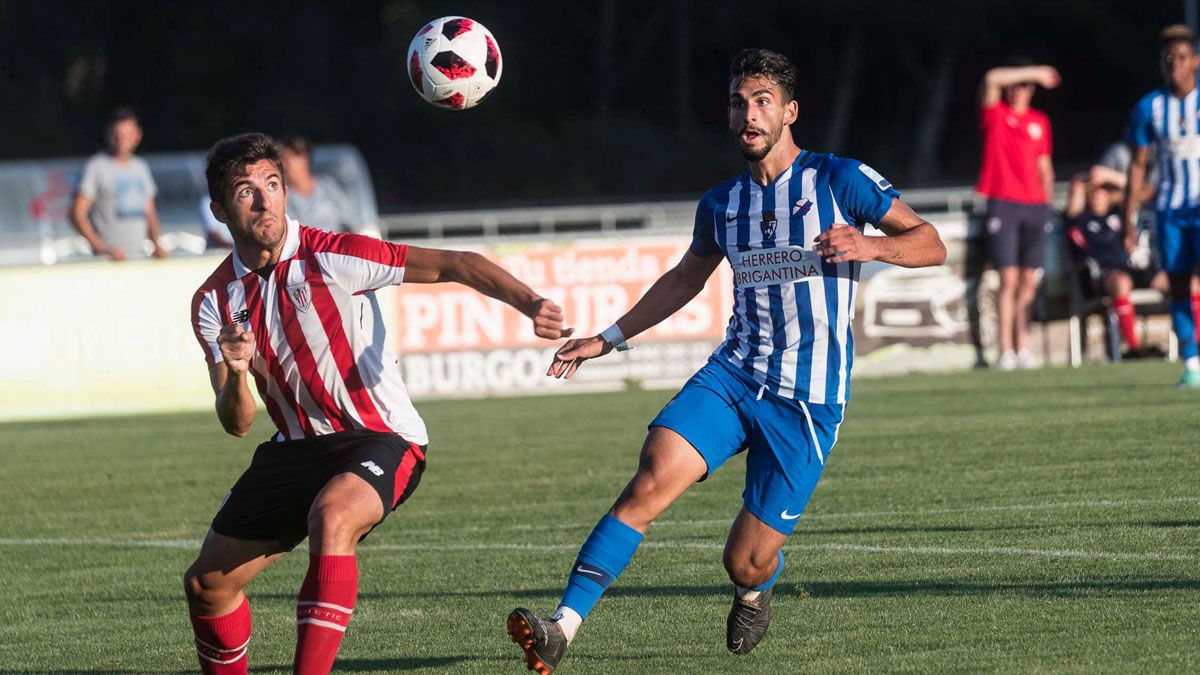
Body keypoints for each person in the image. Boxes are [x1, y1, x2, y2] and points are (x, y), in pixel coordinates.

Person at [506, 49, 946, 673]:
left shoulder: (839, 180)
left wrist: (870, 244)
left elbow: (931, 243)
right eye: (739, 102)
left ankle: (755, 587)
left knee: (744, 559)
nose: (749, 113)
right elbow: (686, 278)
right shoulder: (721, 204)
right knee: (649, 479)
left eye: (763, 101)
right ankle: (561, 628)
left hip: (807, 399)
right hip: (734, 374)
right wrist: (608, 339)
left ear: (791, 112)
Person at [184, 133, 571, 675]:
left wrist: (530, 303)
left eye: (272, 184)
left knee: (333, 516)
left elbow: (455, 262)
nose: (265, 200)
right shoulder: (213, 301)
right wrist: (237, 374)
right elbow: (237, 422)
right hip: (294, 450)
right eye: (245, 191)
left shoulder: (334, 253)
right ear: (219, 209)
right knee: (206, 585)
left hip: (382, 438)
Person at [1124, 24, 1200, 387]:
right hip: (1170, 211)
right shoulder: (1149, 107)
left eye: (1182, 58)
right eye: (1168, 59)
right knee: (1179, 285)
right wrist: (1128, 218)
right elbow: (1138, 166)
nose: (1175, 65)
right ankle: (1192, 363)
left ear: (1195, 61)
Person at [976, 57, 1059, 370]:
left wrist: (1048, 204)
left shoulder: (1040, 121)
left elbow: (1044, 166)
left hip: (1036, 206)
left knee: (1028, 283)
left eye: (1025, 86)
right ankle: (1005, 350)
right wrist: (1035, 71)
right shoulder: (995, 115)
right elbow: (991, 76)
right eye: (1016, 83)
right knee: (1007, 280)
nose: (1018, 90)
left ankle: (1022, 346)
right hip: (1003, 203)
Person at [1064, 169, 1166, 357]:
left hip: (1132, 268)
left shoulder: (1119, 214)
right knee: (1121, 283)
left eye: (1101, 190)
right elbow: (1075, 197)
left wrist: (1109, 176)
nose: (1096, 195)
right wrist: (1083, 179)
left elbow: (1142, 191)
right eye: (1092, 191)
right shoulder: (1080, 218)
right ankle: (1133, 349)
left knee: (1180, 282)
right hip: (1103, 275)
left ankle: (1194, 341)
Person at [70, 107, 167, 260]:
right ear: (108, 134)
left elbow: (150, 212)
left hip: (138, 257)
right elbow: (77, 213)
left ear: (137, 135)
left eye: (127, 135)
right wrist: (101, 248)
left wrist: (156, 244)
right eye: (117, 135)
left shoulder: (140, 167)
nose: (122, 140)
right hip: (109, 262)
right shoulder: (95, 167)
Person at [280, 134, 358, 233]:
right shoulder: (282, 196)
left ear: (304, 158)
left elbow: (352, 221)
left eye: (287, 159)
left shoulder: (328, 186)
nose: (284, 165)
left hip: (336, 245)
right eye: (281, 160)